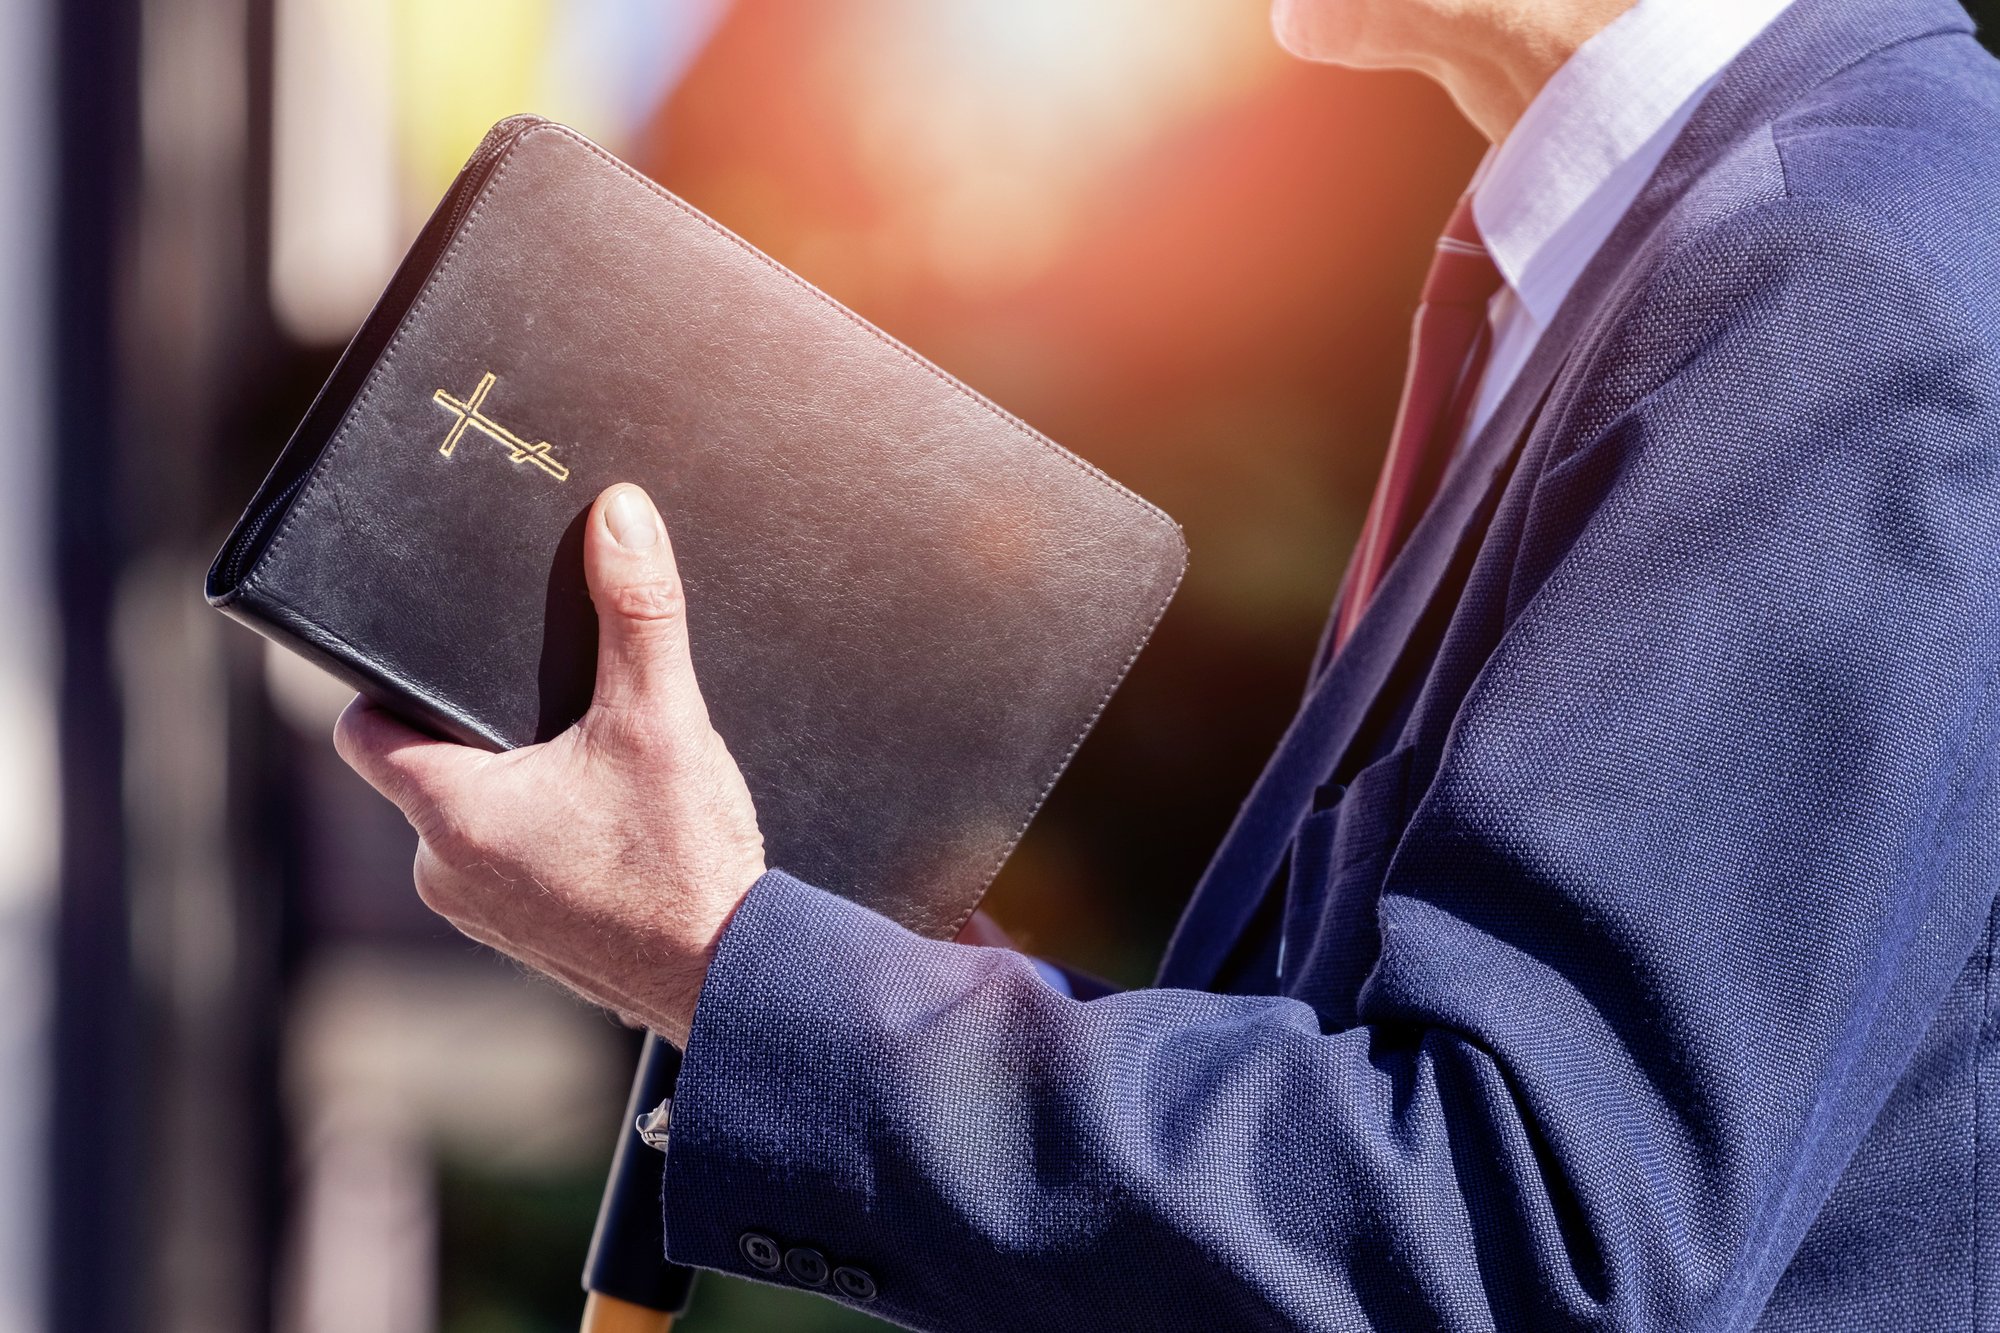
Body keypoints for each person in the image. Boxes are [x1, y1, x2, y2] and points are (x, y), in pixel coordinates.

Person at [334, 0, 2000, 1325]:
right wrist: (871, 974)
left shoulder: (1835, 278)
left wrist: (727, 960)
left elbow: (1513, 1245)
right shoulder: (1686, 247)